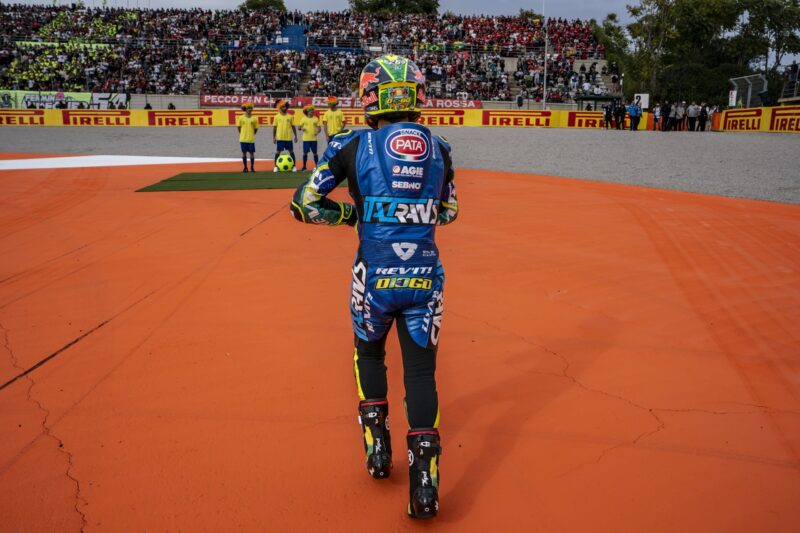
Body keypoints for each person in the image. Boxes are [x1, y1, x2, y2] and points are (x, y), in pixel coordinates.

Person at [289, 54, 458, 520]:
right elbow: (450, 212)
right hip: (425, 277)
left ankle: (378, 448)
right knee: (421, 375)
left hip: (374, 277)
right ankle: (425, 488)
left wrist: (353, 215)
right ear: (416, 96)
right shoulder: (441, 147)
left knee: (368, 355)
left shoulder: (350, 143)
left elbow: (304, 205)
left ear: (369, 97)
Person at [273, 99, 297, 172]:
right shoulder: (276, 117)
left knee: (291, 151)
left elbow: (293, 127)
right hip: (280, 138)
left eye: (285, 106)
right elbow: (274, 128)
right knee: (278, 152)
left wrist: (295, 136)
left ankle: (293, 166)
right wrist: (274, 137)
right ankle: (276, 167)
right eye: (282, 107)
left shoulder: (290, 116)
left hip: (288, 138)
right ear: (280, 108)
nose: (284, 108)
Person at [237, 102, 259, 173]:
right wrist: (242, 134)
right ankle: (245, 167)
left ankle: (252, 167)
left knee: (252, 153)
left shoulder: (254, 118)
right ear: (245, 109)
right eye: (248, 108)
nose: (250, 109)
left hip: (251, 139)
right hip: (243, 139)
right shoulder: (241, 118)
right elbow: (239, 128)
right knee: (244, 153)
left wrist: (252, 134)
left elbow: (256, 129)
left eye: (251, 108)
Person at [298, 104, 320, 171]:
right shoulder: (303, 119)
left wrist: (317, 132)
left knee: (315, 153)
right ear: (307, 111)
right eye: (310, 111)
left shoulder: (316, 119)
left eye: (312, 111)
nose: (312, 112)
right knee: (305, 153)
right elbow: (299, 127)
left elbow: (319, 129)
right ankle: (304, 167)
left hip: (314, 139)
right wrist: (302, 128)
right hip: (306, 139)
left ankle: (316, 167)